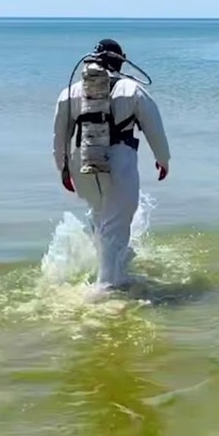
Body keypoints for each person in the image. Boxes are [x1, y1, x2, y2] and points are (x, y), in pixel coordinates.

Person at [52, 38, 171, 291]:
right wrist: (163, 159)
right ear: (121, 60)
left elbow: (59, 137)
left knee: (99, 214)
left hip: (83, 160)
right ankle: (105, 289)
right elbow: (154, 128)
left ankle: (110, 265)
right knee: (116, 223)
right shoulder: (132, 89)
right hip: (120, 161)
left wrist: (62, 168)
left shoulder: (69, 92)